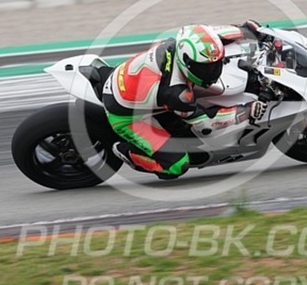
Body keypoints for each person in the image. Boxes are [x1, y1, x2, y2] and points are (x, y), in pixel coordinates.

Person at [102, 21, 268, 180]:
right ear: (188, 63)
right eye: (205, 68)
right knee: (177, 165)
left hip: (128, 81)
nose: (213, 71)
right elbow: (206, 123)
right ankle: (128, 152)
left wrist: (248, 30)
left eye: (215, 65)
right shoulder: (176, 94)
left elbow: (212, 37)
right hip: (125, 115)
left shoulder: (181, 46)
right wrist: (246, 111)